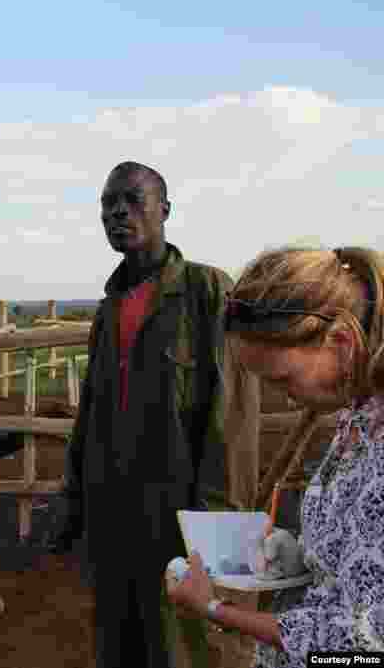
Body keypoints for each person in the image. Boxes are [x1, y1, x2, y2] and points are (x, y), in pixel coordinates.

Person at [47, 161, 262, 668]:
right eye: (107, 204)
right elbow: (92, 417)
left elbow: (233, 421)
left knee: (191, 649)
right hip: (113, 520)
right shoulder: (110, 309)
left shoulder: (207, 292)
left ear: (164, 210)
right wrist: (73, 502)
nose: (117, 213)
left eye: (131, 200)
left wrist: (216, 533)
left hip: (183, 519)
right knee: (121, 647)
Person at [167, 246, 384, 666]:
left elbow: (362, 651)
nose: (284, 396)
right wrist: (304, 556)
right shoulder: (358, 418)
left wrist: (218, 610)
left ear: (341, 343)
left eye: (284, 379)